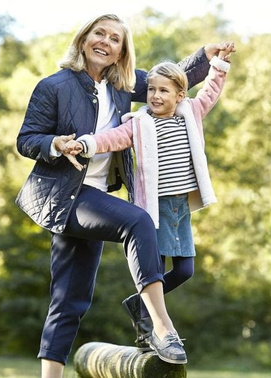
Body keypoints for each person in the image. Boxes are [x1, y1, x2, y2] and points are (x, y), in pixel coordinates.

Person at [15, 12, 232, 378]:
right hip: (65, 196)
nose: (106, 41)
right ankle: (162, 328)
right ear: (84, 40)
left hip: (96, 195)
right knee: (137, 221)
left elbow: (169, 80)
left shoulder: (122, 85)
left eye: (115, 39)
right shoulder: (53, 86)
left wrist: (205, 57)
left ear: (120, 52)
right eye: (99, 34)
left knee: (71, 298)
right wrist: (54, 142)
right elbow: (26, 139)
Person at [64, 43, 236, 351]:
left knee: (185, 270)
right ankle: (149, 331)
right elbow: (111, 138)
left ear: (180, 95)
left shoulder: (191, 112)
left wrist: (219, 65)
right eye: (152, 90)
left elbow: (210, 90)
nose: (155, 96)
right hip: (152, 208)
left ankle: (138, 303)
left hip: (179, 207)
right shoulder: (138, 123)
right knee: (153, 269)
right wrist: (86, 144)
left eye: (164, 91)